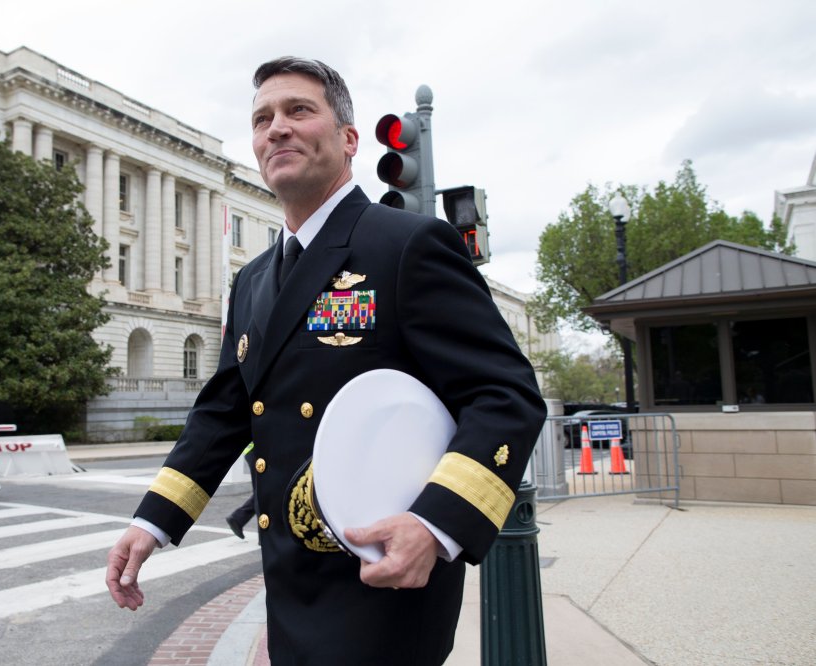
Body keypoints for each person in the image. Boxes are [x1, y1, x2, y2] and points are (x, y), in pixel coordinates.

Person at [106, 56, 547, 665]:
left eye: (298, 110)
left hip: (383, 581)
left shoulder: (405, 244)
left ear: (348, 140)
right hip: (290, 582)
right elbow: (226, 411)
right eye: (262, 119)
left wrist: (436, 525)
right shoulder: (253, 280)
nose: (276, 128)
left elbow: (506, 395)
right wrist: (152, 521)